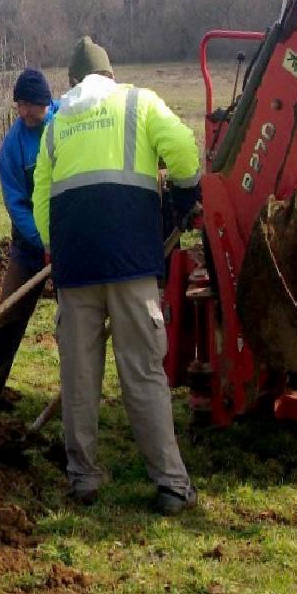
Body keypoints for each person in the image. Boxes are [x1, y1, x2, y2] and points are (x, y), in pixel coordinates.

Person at [32, 37, 202, 515]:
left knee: (79, 376)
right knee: (143, 374)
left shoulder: (55, 124)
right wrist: (185, 192)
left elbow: (42, 196)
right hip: (131, 265)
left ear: (71, 83)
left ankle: (82, 478)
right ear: (111, 75)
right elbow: (185, 151)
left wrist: (55, 250)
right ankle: (170, 484)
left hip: (75, 267)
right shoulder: (140, 103)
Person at [0, 68, 60, 417]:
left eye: (30, 106)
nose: (24, 113)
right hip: (31, 246)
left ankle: (77, 400)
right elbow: (17, 204)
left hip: (72, 244)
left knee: (76, 323)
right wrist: (42, 241)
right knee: (7, 317)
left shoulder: (67, 124)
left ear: (46, 102)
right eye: (19, 106)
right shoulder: (12, 147)